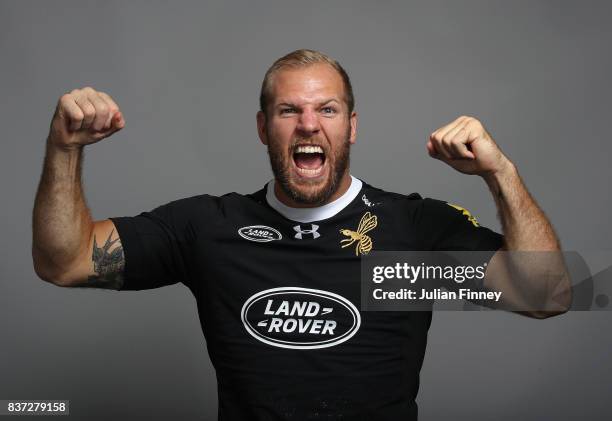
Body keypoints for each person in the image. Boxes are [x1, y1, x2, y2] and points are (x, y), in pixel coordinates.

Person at [32, 49, 571, 420]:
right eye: (289, 110)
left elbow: (547, 295)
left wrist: (501, 173)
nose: (309, 124)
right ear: (265, 128)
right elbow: (66, 261)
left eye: (327, 110)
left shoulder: (410, 229)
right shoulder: (209, 228)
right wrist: (64, 148)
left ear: (350, 127)